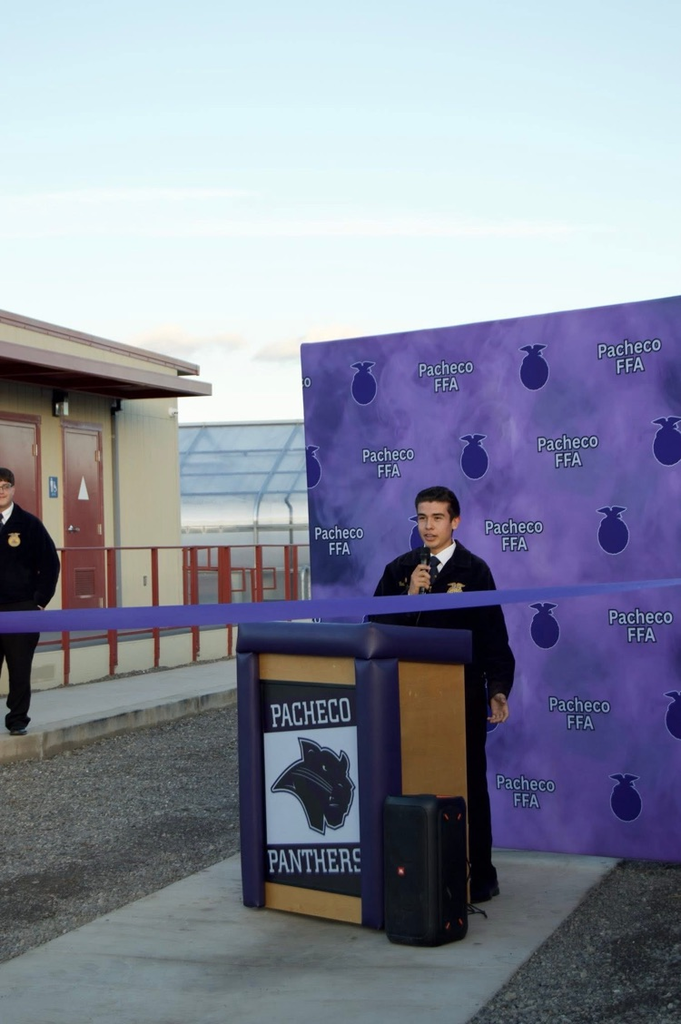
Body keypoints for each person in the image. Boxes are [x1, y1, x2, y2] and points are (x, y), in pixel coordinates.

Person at [370, 484, 515, 903]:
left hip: (461, 699)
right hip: (407, 699)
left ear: (455, 521)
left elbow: (493, 639)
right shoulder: (400, 569)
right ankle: (414, 870)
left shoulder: (475, 571)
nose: (428, 526)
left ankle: (478, 873)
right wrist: (409, 594)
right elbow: (374, 628)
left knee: (469, 784)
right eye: (421, 517)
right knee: (410, 781)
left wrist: (498, 690)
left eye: (436, 518)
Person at [0, 468, 60, 736]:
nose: (1, 490)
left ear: (13, 490)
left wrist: (38, 601)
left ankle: (17, 720)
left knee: (19, 669)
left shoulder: (30, 525)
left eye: (5, 485)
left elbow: (50, 563)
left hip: (21, 608)